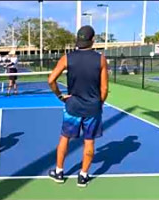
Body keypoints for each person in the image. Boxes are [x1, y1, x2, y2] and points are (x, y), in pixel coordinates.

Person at [47, 25, 109, 187]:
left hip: (72, 106)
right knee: (89, 141)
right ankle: (83, 176)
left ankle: (59, 172)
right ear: (93, 40)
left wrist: (60, 96)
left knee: (64, 138)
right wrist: (98, 104)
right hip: (92, 108)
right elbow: (104, 88)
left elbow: (51, 80)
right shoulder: (100, 59)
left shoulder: (67, 58)